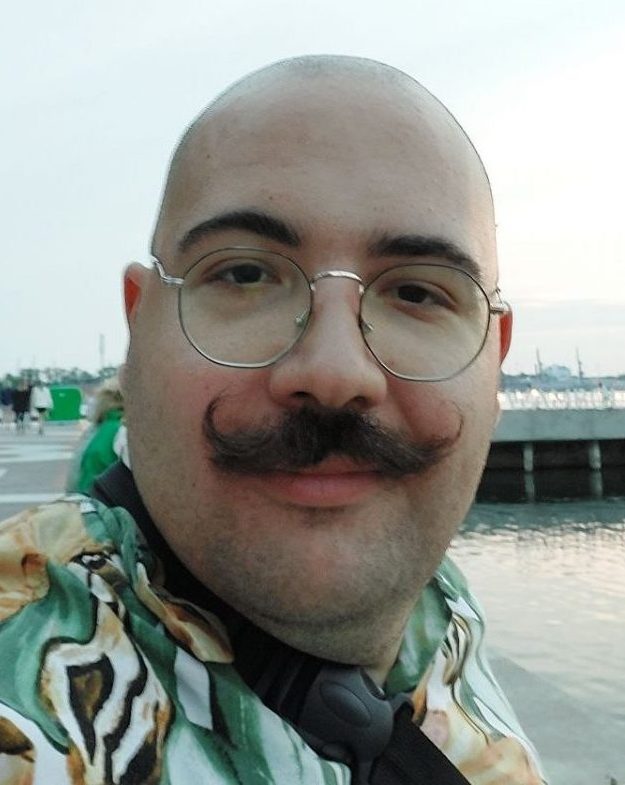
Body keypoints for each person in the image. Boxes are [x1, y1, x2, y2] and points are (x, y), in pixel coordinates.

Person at [0, 57, 547, 784]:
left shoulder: (444, 615)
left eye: (418, 292)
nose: (335, 374)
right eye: (245, 274)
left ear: (494, 356)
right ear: (139, 327)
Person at [65, 377, 125, 493]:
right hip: (105, 499)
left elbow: (74, 474)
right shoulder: (123, 431)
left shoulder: (94, 430)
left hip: (84, 496)